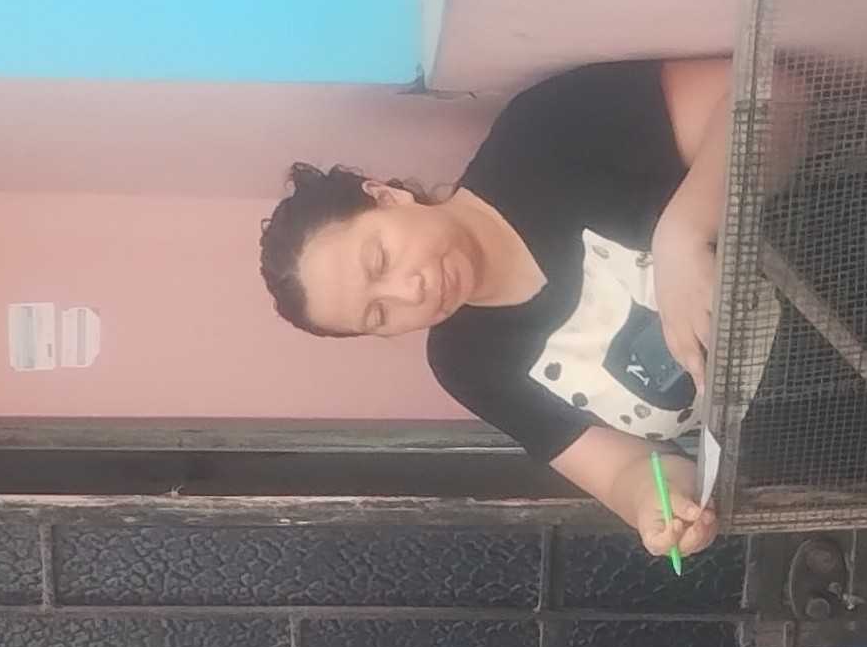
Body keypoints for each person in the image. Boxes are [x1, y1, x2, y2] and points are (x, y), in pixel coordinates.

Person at [259, 59, 732, 557]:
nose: (409, 293)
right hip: (782, 450)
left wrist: (686, 232)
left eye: (380, 261)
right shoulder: (469, 362)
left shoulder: (539, 133)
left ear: (387, 197)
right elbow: (623, 470)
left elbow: (762, 94)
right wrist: (657, 503)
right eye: (379, 315)